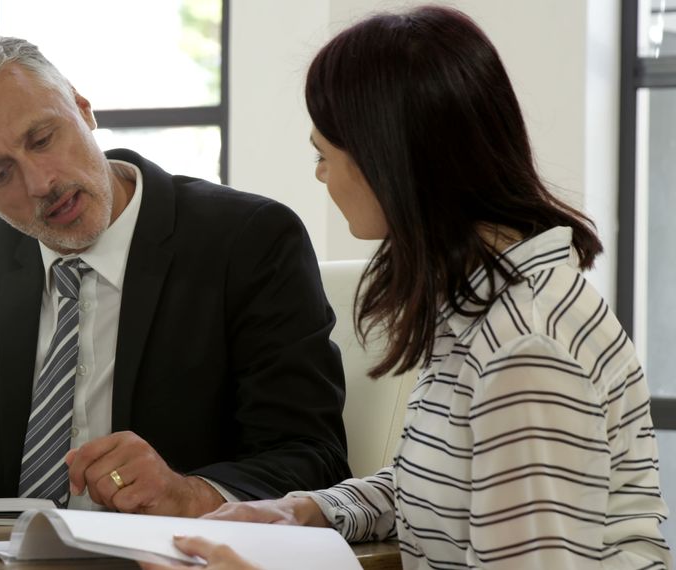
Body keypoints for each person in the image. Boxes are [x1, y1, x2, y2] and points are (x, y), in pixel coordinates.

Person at [143, 5, 672, 568]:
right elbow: (442, 485)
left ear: (389, 159)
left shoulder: (523, 350)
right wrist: (304, 511)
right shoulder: (484, 302)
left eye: (324, 154)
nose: (320, 174)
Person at [0, 34, 351, 518]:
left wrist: (188, 494)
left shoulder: (247, 239)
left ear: (82, 109)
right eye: (0, 175)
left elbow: (312, 455)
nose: (41, 183)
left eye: (43, 138)